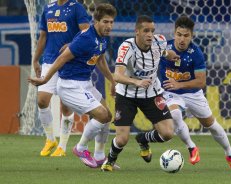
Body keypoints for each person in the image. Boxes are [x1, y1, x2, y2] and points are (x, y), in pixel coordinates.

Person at [29, 3, 119, 168]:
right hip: (70, 85)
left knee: (108, 116)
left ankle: (99, 156)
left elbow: (100, 59)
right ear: (96, 21)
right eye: (105, 22)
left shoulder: (102, 38)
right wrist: (45, 79)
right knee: (101, 115)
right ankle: (80, 147)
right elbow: (62, 58)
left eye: (111, 22)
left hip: (84, 83)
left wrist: (112, 81)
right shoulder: (86, 38)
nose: (109, 26)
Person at [159, 16, 231, 169]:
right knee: (175, 114)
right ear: (174, 33)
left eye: (186, 35)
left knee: (212, 125)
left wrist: (179, 83)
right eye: (179, 34)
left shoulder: (196, 53)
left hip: (193, 94)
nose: (182, 39)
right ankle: (192, 147)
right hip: (171, 93)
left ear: (192, 36)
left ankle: (230, 153)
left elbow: (201, 82)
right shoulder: (164, 48)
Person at [101, 15, 180, 172]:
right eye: (146, 31)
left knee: (168, 133)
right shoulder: (126, 47)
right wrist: (136, 82)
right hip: (127, 95)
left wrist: (170, 55)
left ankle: (143, 139)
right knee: (122, 139)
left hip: (152, 93)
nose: (150, 34)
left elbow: (163, 52)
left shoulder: (159, 41)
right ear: (137, 32)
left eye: (152, 31)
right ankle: (110, 160)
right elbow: (116, 76)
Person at [33, 0, 89, 157]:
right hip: (49, 60)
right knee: (42, 100)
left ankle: (62, 146)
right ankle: (50, 140)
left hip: (69, 61)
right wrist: (36, 59)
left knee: (66, 106)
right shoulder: (48, 8)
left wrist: (72, 44)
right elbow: (43, 36)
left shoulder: (77, 8)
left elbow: (86, 33)